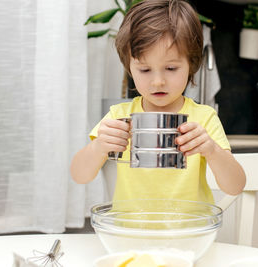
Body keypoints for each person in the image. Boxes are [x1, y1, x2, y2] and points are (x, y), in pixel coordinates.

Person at [70, 0, 245, 204]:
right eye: (145, 70)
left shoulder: (203, 118)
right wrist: (98, 146)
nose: (158, 81)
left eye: (171, 69)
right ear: (130, 68)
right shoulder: (120, 116)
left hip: (188, 232)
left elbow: (236, 186)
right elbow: (79, 176)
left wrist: (212, 151)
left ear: (191, 64)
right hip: (131, 231)